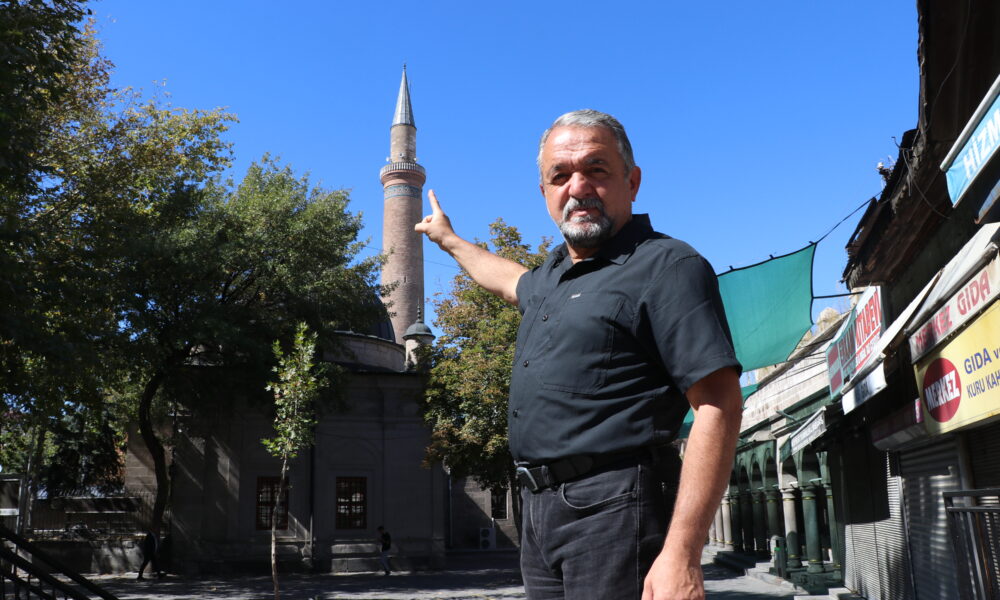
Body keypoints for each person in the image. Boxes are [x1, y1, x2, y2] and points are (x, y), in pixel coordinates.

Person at [415, 109, 744, 600]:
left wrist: (683, 552)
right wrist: (449, 240)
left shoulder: (668, 266)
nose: (578, 187)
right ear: (544, 193)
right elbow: (507, 279)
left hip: (615, 509)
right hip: (539, 512)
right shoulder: (553, 276)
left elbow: (719, 404)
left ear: (632, 181)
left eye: (596, 169)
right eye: (561, 176)